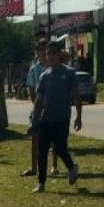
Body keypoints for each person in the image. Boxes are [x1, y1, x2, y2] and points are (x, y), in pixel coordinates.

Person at [31, 41, 81, 194]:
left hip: (62, 118)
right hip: (46, 119)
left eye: (53, 53)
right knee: (42, 150)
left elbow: (77, 96)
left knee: (60, 148)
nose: (50, 56)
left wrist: (79, 116)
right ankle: (41, 183)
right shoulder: (44, 76)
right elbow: (39, 101)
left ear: (59, 54)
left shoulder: (69, 73)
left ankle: (71, 168)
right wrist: (35, 120)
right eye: (48, 53)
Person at [22, 39, 60, 177]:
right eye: (41, 50)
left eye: (46, 50)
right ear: (37, 52)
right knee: (35, 138)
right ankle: (34, 167)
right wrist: (38, 108)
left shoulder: (54, 67)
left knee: (54, 139)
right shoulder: (34, 70)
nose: (44, 53)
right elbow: (32, 93)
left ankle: (54, 166)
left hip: (53, 109)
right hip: (38, 109)